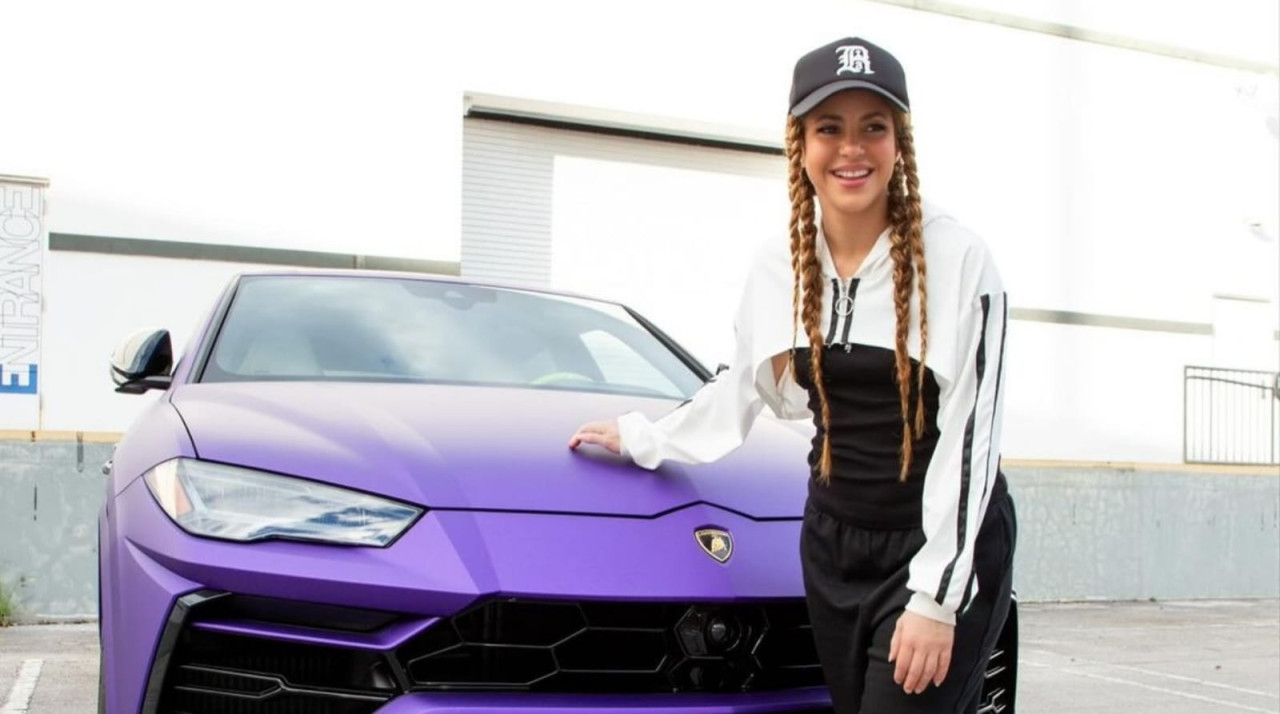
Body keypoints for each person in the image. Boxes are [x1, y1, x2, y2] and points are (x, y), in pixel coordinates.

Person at [568, 36, 1016, 714]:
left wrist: (936, 596)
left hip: (936, 548)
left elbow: (974, 440)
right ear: (799, 143)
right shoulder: (778, 265)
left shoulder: (958, 262)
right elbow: (739, 392)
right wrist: (641, 438)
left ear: (901, 143)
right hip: (834, 544)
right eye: (829, 128)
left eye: (874, 127)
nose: (852, 149)